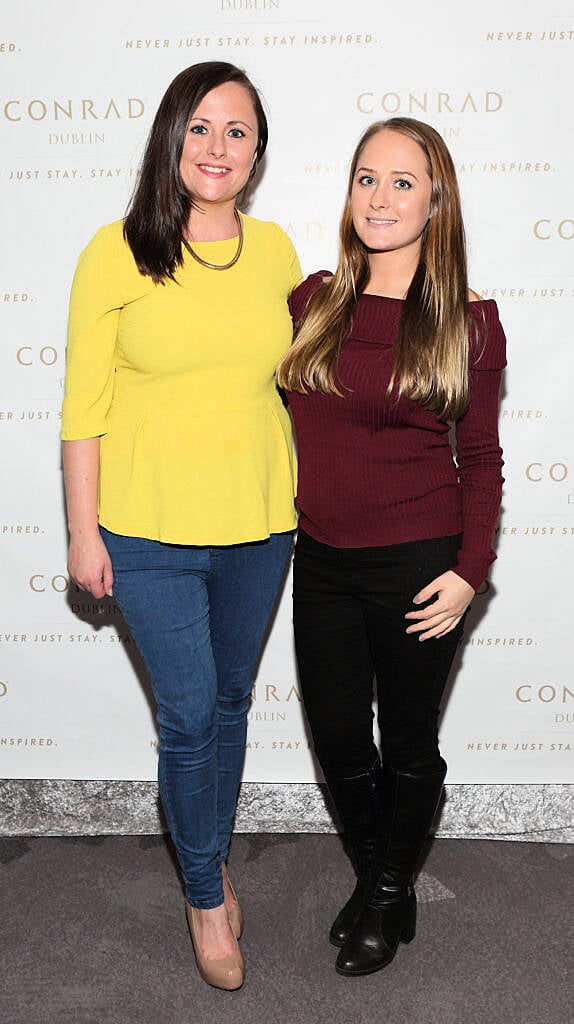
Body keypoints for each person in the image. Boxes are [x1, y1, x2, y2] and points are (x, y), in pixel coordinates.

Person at [62, 61, 302, 991]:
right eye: (200, 127)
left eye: (237, 131)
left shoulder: (278, 251)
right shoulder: (116, 250)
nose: (217, 147)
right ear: (171, 136)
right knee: (190, 715)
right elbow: (82, 409)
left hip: (259, 526)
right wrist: (85, 534)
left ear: (257, 152)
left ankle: (213, 858)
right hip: (147, 531)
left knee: (232, 706)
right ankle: (205, 895)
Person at [277, 117, 506, 977]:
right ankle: (392, 876)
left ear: (435, 201)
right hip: (323, 559)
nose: (380, 197)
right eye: (366, 178)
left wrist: (468, 574)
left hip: (420, 561)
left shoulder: (469, 322)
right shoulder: (313, 302)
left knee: (407, 743)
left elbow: (479, 457)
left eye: (402, 182)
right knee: (338, 738)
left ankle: (379, 894)